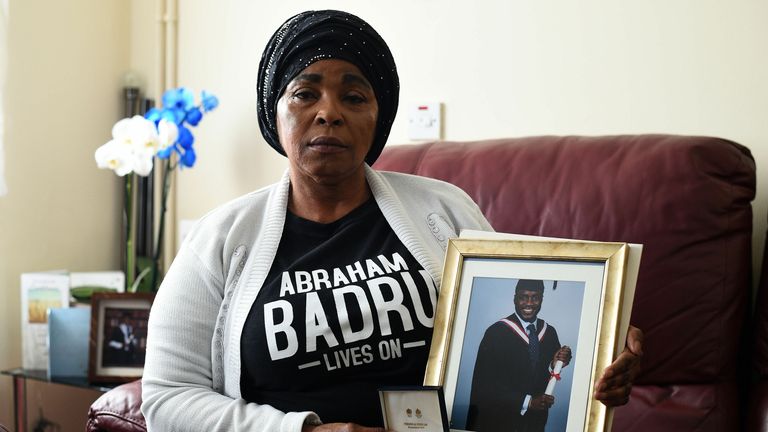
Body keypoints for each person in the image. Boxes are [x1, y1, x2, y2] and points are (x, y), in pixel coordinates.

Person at [141, 10, 643, 432]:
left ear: (378, 118)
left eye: (354, 97)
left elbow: (514, 333)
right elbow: (167, 398)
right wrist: (303, 431)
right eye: (305, 93)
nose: (329, 113)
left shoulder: (444, 210)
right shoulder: (220, 239)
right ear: (274, 113)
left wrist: (605, 341)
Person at [466, 279, 572, 431]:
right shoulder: (496, 333)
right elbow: (485, 386)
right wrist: (528, 402)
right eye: (523, 297)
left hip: (533, 423)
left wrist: (553, 365)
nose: (529, 303)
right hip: (498, 421)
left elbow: (541, 374)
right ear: (515, 298)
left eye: (535, 297)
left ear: (541, 299)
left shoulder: (549, 332)